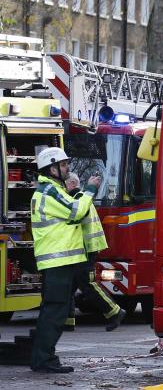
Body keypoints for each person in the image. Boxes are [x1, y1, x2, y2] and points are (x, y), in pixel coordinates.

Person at [29, 147, 98, 374]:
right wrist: (89, 189)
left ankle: (43, 358)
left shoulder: (51, 189)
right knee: (54, 312)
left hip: (57, 262)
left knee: (54, 311)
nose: (68, 168)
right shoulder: (49, 191)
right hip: (57, 262)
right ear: (52, 168)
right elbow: (77, 212)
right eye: (64, 164)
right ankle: (44, 360)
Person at [62, 172, 126, 332]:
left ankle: (115, 312)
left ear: (70, 184)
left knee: (87, 284)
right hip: (82, 248)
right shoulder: (81, 197)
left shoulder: (78, 197)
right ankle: (67, 321)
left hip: (84, 248)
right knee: (69, 285)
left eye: (63, 185)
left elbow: (74, 218)